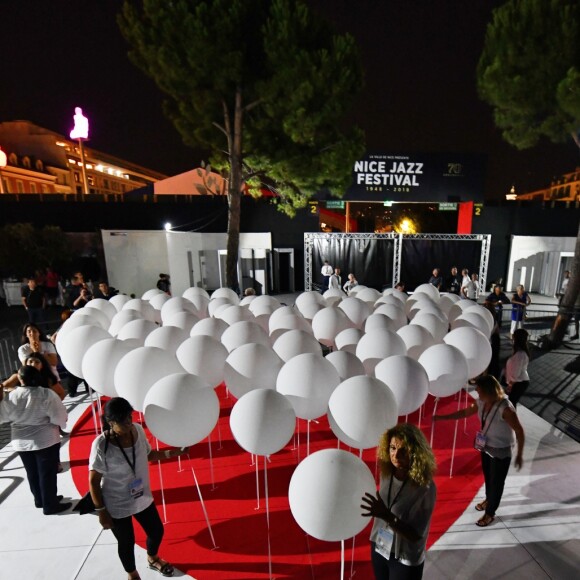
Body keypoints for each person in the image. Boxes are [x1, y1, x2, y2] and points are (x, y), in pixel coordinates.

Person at [89, 397, 189, 580]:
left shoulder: (138, 430)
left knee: (157, 531)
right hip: (116, 503)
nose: (129, 422)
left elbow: (149, 454)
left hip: (141, 496)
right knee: (126, 542)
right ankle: (132, 574)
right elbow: (93, 482)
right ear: (111, 422)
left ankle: (152, 558)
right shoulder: (101, 445)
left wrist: (174, 452)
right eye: (123, 420)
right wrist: (102, 511)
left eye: (130, 416)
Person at [433, 375, 525, 527]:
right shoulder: (482, 402)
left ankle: (490, 513)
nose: (476, 391)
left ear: (489, 390)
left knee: (497, 482)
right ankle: (489, 499)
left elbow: (519, 431)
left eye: (479, 389)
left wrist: (520, 454)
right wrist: (442, 418)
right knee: (488, 477)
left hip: (501, 450)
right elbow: (464, 413)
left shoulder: (505, 408)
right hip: (486, 445)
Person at [361, 423, 436, 580]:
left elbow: (416, 536)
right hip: (379, 546)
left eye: (403, 450)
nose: (395, 455)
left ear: (415, 453)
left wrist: (386, 515)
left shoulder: (425, 487)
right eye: (393, 448)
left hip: (404, 557)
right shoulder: (386, 474)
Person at [0, 366, 70, 514]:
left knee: (32, 472)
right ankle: (50, 504)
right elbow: (58, 416)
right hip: (45, 439)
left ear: (20, 379)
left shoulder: (12, 396)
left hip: (20, 441)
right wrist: (60, 424)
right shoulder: (46, 394)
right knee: (47, 473)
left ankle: (40, 499)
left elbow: (3, 417)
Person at [505, 328, 530, 407]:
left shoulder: (520, 354)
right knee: (512, 403)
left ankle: (511, 418)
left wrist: (510, 385)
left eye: (513, 337)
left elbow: (516, 373)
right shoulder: (520, 352)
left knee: (511, 403)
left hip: (519, 383)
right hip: (519, 382)